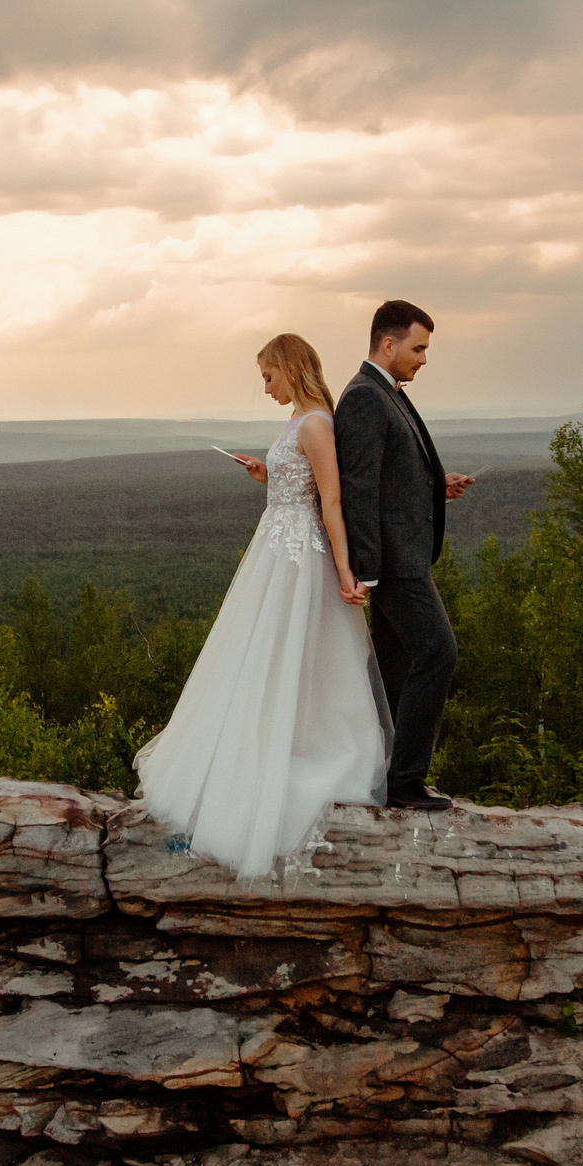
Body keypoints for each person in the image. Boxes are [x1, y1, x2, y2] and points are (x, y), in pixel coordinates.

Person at [133, 333, 391, 878]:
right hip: (275, 548)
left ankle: (285, 759)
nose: (265, 386)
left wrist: (347, 572)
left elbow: (332, 501)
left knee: (287, 654)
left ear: (291, 368)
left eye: (268, 375)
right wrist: (267, 475)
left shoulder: (318, 423)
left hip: (297, 561)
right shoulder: (300, 420)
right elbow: (296, 485)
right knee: (261, 656)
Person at [334, 301, 477, 810]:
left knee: (393, 666)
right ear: (388, 344)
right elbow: (359, 486)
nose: (423, 359)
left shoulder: (384, 392)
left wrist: (437, 486)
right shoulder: (365, 398)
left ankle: (383, 771)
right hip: (393, 563)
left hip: (401, 556)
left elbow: (393, 473)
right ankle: (406, 781)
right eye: (418, 348)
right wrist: (366, 571)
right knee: (438, 651)